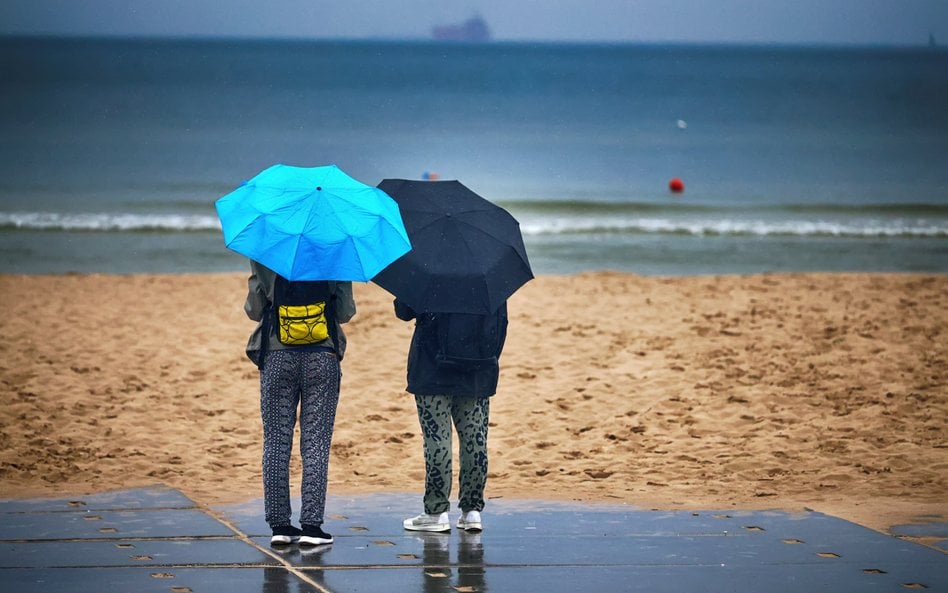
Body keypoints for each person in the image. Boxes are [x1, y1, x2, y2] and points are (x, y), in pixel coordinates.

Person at [243, 260, 355, 547]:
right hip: (322, 355)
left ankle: (280, 525)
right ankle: (312, 527)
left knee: (276, 441)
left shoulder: (267, 250)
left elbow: (254, 310)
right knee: (316, 441)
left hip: (277, 354)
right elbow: (344, 312)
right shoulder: (334, 249)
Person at [395, 299, 508, 533]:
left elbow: (404, 311)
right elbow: (501, 324)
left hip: (431, 368)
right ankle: (472, 511)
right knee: (475, 439)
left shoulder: (427, 266)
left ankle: (435, 512)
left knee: (437, 440)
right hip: (476, 369)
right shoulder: (487, 272)